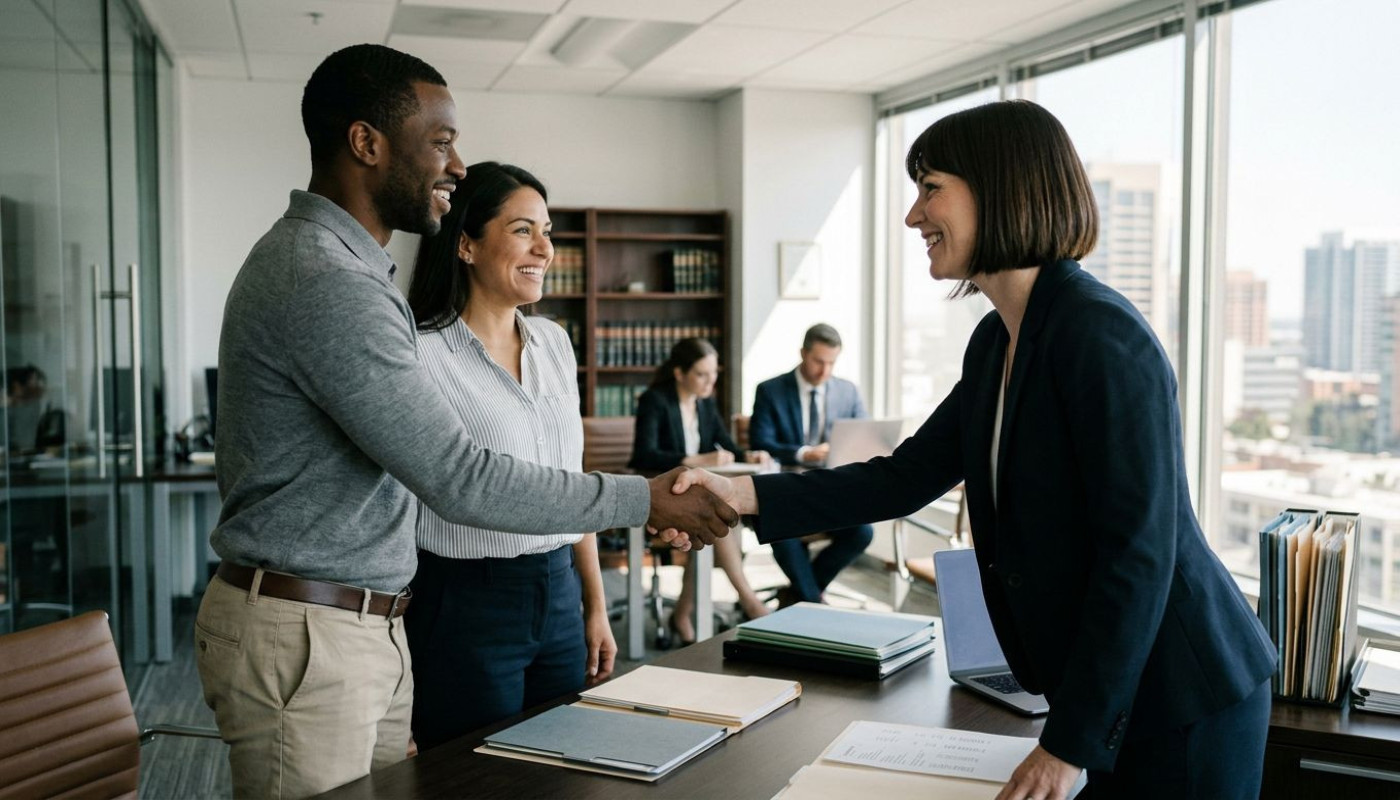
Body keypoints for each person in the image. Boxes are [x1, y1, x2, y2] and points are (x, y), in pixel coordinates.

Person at [673, 100, 1276, 800]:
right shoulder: (996, 343)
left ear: (1000, 187)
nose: (912, 216)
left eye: (930, 188)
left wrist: (1067, 744)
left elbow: (1139, 556)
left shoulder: (1102, 338)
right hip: (1111, 692)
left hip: (1182, 698)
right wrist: (741, 493)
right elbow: (904, 478)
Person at [196, 44, 735, 799]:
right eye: (442, 141)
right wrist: (644, 500)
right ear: (367, 144)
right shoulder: (327, 281)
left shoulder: (350, 273)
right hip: (313, 630)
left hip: (359, 623)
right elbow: (457, 476)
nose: (456, 165)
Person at [400, 161, 621, 749]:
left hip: (558, 591)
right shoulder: (420, 354)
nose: (545, 248)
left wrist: (594, 606)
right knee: (475, 777)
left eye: (547, 230)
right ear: (467, 244)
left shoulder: (553, 342)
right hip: (466, 600)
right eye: (524, 230)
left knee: (564, 766)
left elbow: (571, 484)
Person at [630, 337, 772, 642]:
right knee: (717, 516)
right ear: (680, 373)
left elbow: (728, 446)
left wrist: (750, 455)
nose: (710, 382)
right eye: (702, 374)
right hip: (664, 495)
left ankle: (682, 613)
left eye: (714, 374)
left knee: (715, 519)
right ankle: (749, 600)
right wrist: (694, 459)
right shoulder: (655, 400)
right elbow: (643, 455)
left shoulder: (705, 404)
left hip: (698, 497)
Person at [749, 323, 873, 604]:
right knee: (783, 533)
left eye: (832, 363)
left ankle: (800, 596)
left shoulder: (847, 391)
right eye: (819, 361)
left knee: (862, 532)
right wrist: (805, 454)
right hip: (786, 487)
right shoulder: (771, 390)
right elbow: (761, 441)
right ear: (803, 353)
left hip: (832, 487)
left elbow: (863, 436)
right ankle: (813, 603)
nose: (825, 371)